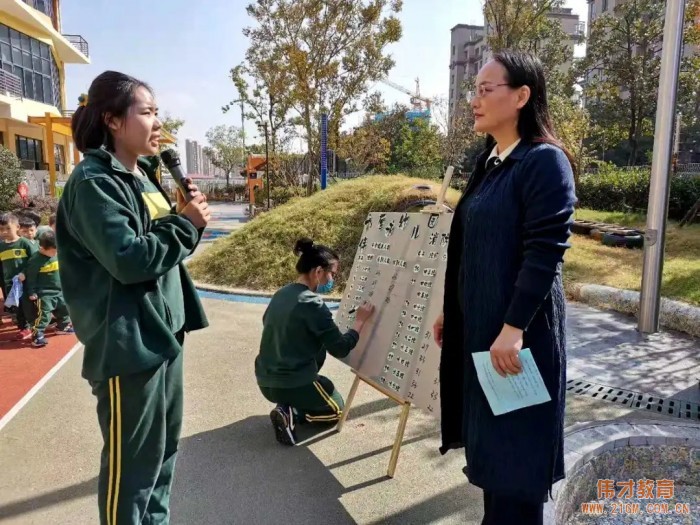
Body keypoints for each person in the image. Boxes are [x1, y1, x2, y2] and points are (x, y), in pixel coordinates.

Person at [56, 71, 211, 525]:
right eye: (146, 112)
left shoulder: (141, 175)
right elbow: (128, 258)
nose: (157, 122)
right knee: (132, 468)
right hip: (128, 344)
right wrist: (185, 224)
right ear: (113, 121)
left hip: (164, 332)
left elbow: (167, 247)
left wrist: (188, 221)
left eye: (157, 112)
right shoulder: (93, 182)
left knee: (163, 452)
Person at [432, 51, 577, 525]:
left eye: (485, 89)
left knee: (516, 467)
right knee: (494, 462)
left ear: (521, 96)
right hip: (483, 340)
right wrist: (453, 312)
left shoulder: (543, 162)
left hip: (518, 345)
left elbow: (544, 252)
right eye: (473, 90)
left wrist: (513, 328)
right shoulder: (490, 162)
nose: (473, 100)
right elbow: (473, 246)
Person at [255, 238, 375, 446]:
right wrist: (360, 322)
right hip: (294, 382)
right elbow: (340, 348)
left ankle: (287, 405)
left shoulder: (282, 294)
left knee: (323, 383)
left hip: (265, 380)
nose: (332, 280)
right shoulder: (312, 304)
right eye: (332, 274)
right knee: (337, 411)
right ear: (318, 271)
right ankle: (290, 411)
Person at [23, 230, 73, 347]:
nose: (55, 253)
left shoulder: (57, 255)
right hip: (44, 294)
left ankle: (63, 326)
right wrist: (32, 292)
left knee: (64, 309)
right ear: (43, 248)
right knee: (44, 315)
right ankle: (37, 334)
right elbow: (31, 278)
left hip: (59, 291)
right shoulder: (35, 260)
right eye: (53, 251)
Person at [0, 212, 37, 339]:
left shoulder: (24, 243)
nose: (4, 232)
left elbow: (35, 260)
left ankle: (33, 326)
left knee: (28, 306)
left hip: (25, 282)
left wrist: (25, 273)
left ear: (17, 227)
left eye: (8, 228)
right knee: (17, 307)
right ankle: (23, 328)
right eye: (1, 229)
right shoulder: (1, 246)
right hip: (10, 283)